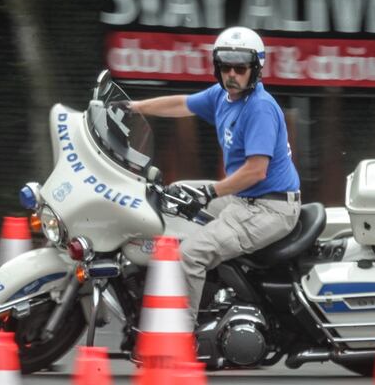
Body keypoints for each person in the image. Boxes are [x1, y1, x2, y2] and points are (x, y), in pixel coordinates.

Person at [126, 26, 301, 322]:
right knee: (174, 194)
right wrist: (134, 107)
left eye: (240, 68)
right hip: (245, 199)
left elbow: (256, 171)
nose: (232, 74)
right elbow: (181, 104)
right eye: (225, 67)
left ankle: (181, 335)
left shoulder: (259, 108)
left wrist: (211, 192)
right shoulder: (223, 95)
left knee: (190, 256)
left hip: (270, 208)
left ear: (256, 69)